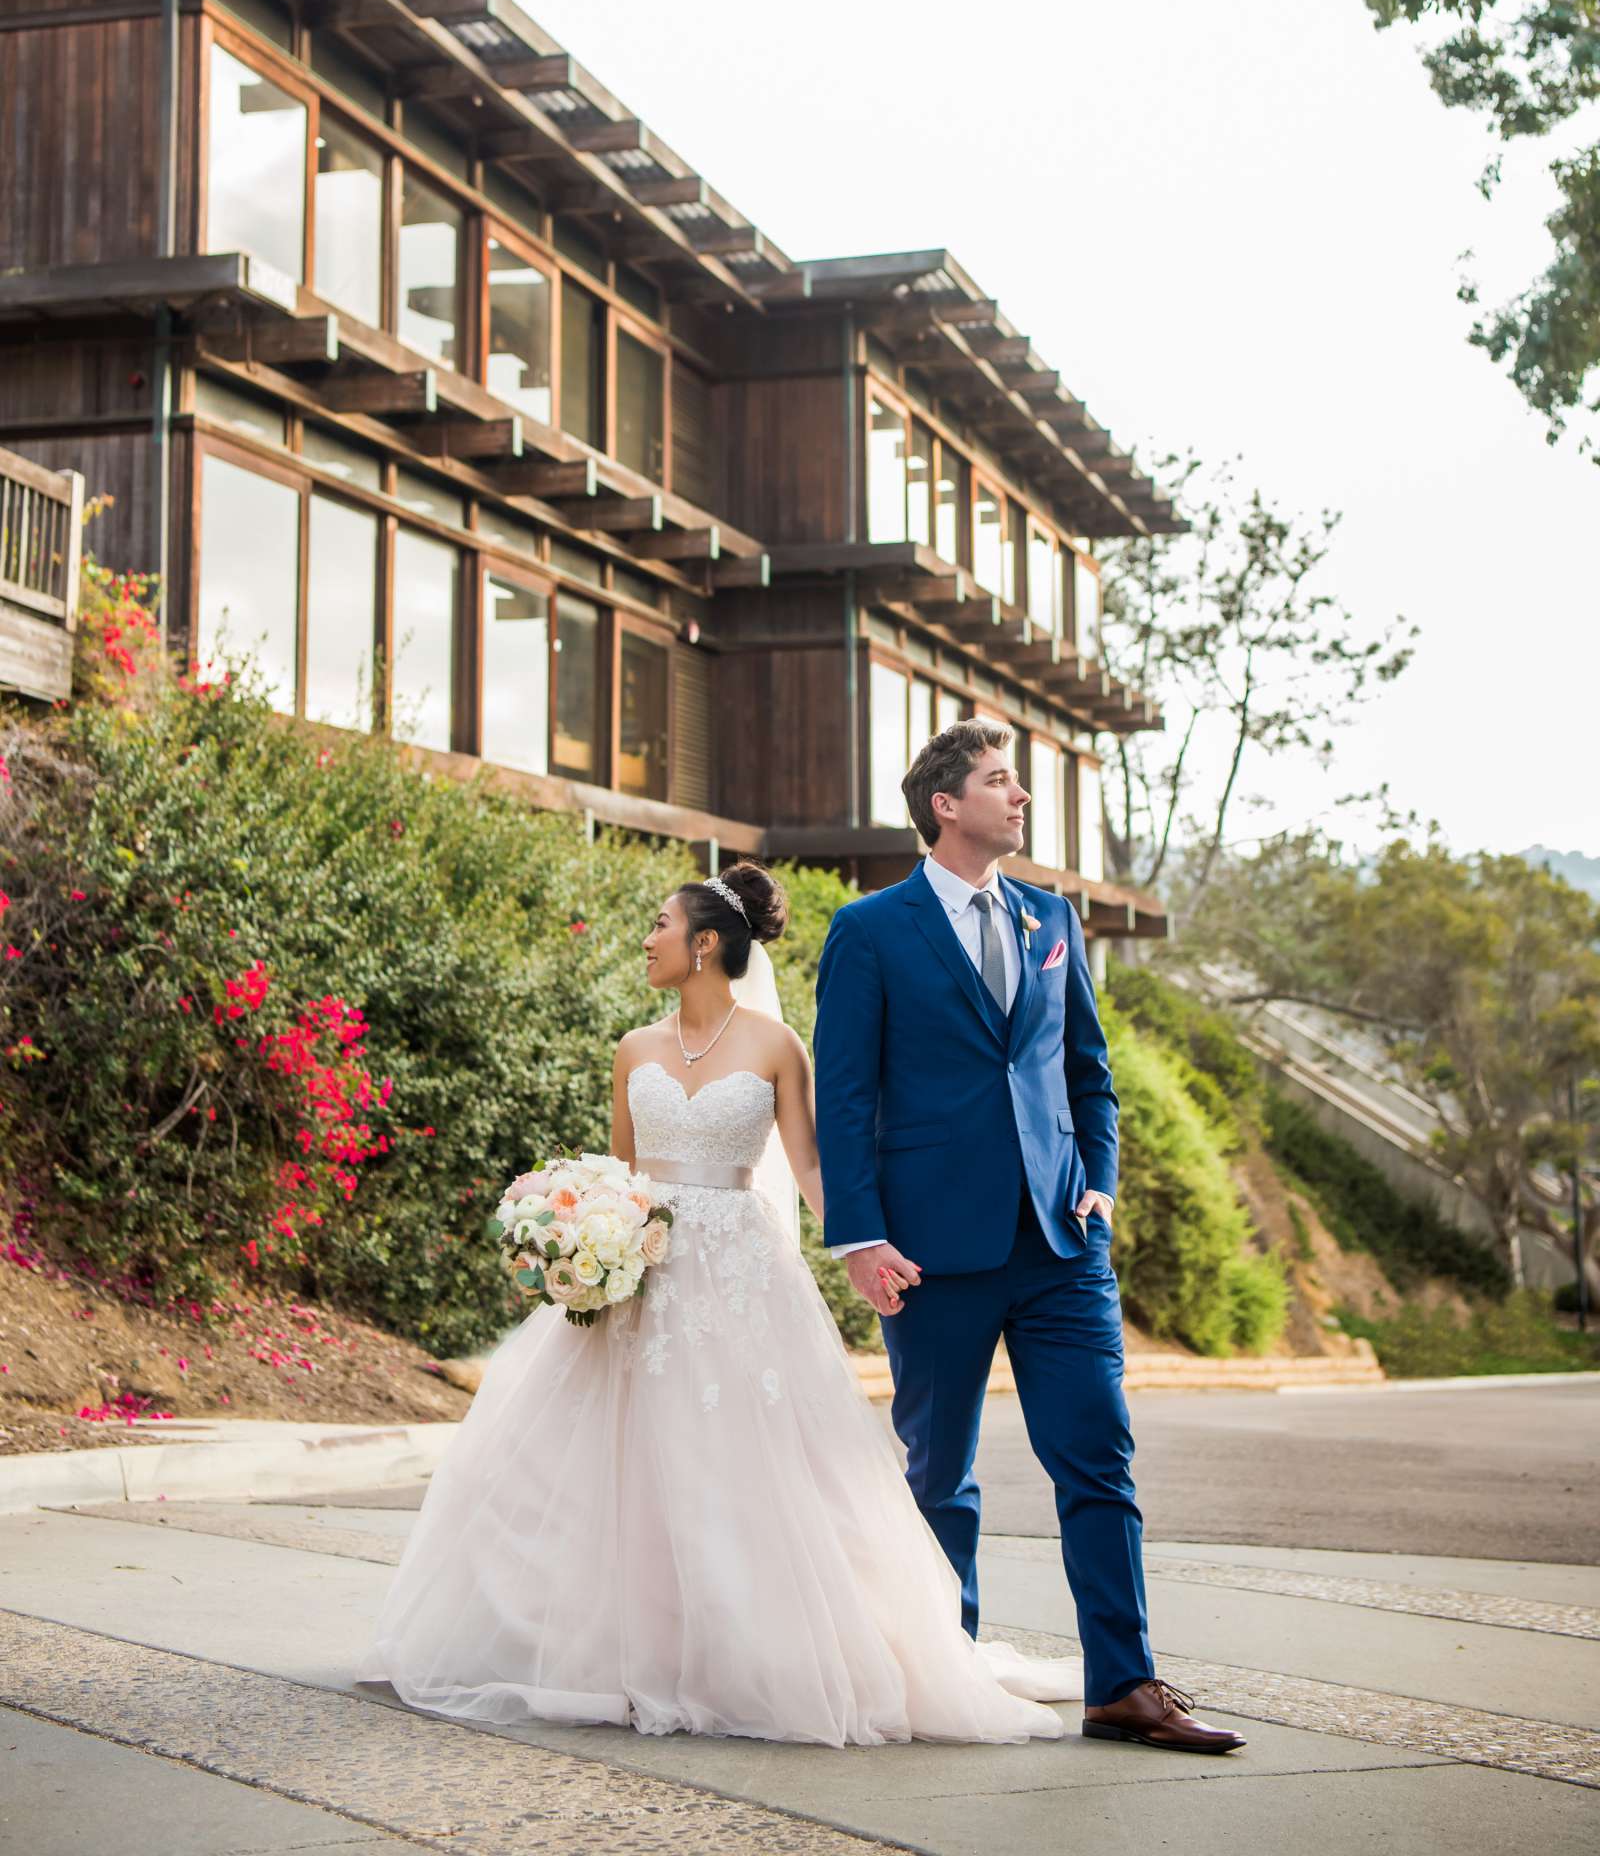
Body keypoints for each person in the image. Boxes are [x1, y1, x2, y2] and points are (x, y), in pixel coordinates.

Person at [355, 859, 1079, 1745]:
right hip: (640, 1269)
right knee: (612, 1458)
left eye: (660, 924)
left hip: (739, 1270)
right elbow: (617, 1174)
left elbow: (813, 1167)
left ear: (704, 944)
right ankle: (612, 1648)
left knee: (736, 1458)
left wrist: (865, 1242)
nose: (647, 938)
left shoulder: (778, 1048)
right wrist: (577, 1231)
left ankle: (739, 1650)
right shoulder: (633, 1048)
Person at [814, 720, 1245, 1755]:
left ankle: (1124, 1685)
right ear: (944, 807)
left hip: (1060, 1248)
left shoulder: (1053, 918)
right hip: (929, 1253)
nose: (1020, 798)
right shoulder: (870, 930)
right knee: (940, 1475)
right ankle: (941, 1674)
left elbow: (1087, 1072)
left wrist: (1098, 1183)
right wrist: (860, 1238)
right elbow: (844, 1096)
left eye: (1017, 782)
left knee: (1098, 1460)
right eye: (1000, 782)